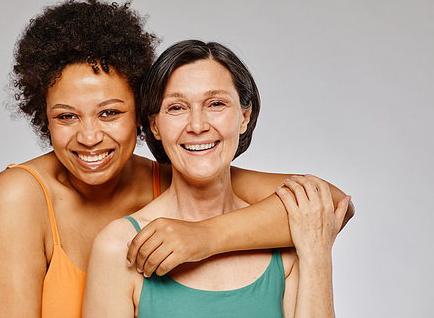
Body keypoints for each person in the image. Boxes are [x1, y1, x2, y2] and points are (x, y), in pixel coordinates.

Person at [0, 0, 353, 318]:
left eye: (109, 112)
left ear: (141, 114)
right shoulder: (18, 197)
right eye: (66, 116)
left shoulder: (171, 176)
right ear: (44, 118)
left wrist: (201, 237)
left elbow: (330, 203)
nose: (89, 137)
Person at [83, 40, 350, 317]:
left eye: (216, 103)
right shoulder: (119, 246)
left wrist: (317, 254)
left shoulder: (285, 240)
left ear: (244, 117)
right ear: (154, 125)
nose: (197, 125)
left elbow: (335, 201)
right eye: (176, 108)